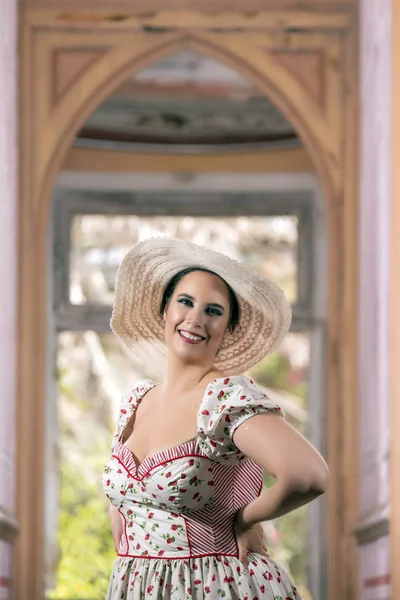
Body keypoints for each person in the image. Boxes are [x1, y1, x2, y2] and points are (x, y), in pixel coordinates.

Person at [102, 238, 329, 600]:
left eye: (213, 311)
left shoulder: (225, 399)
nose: (195, 319)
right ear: (165, 311)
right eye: (186, 302)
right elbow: (125, 498)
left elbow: (308, 476)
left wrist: (243, 519)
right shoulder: (136, 400)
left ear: (228, 328)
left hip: (214, 586)